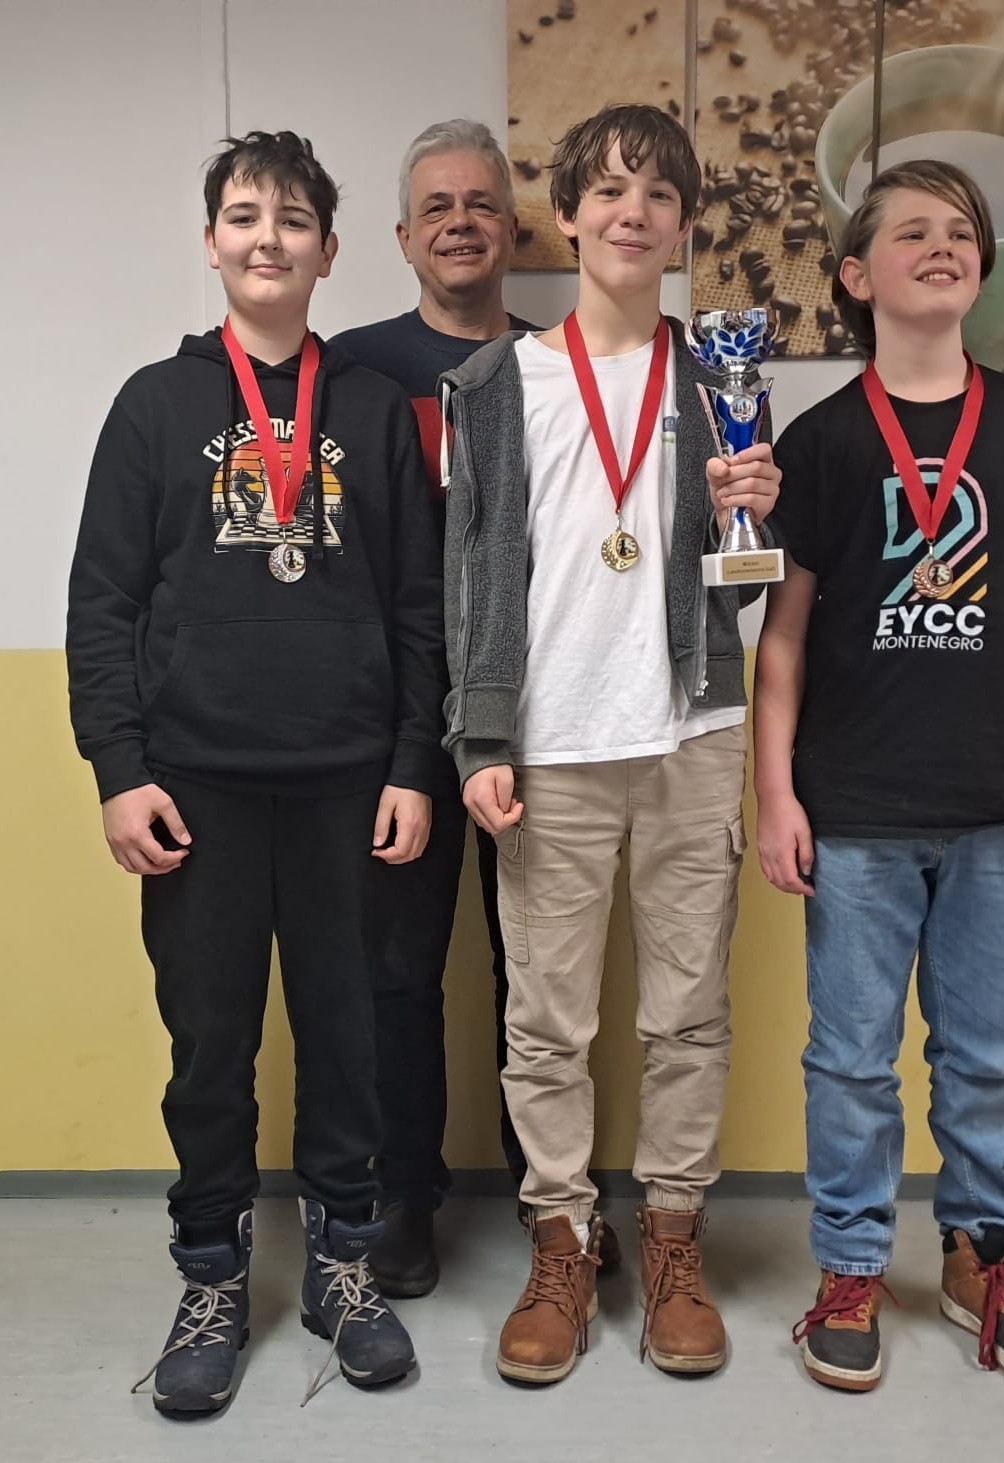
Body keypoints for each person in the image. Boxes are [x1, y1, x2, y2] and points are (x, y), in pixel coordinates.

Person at [65, 130, 445, 1415]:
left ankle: (343, 1262)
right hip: (197, 786)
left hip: (349, 783)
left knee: (349, 1035)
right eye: (243, 216)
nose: (266, 238)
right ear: (211, 241)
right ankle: (212, 1275)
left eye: (291, 219)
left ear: (328, 250)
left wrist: (413, 762)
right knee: (209, 1045)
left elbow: (419, 605)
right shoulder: (153, 406)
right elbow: (103, 603)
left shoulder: (374, 410)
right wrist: (120, 768)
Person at [441, 103, 781, 1385]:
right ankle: (562, 1239)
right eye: (609, 189)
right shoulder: (497, 385)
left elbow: (744, 581)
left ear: (682, 226)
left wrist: (755, 514)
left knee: (686, 1011)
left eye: (658, 194)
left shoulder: (723, 378)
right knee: (547, 1019)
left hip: (691, 727)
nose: (632, 211)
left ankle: (674, 1235)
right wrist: (479, 732)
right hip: (551, 739)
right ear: (568, 216)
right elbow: (470, 574)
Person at [755, 160, 1004, 1393]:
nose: (942, 245)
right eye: (910, 232)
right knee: (850, 1059)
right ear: (857, 276)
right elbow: (782, 637)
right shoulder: (819, 440)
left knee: (985, 1057)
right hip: (854, 807)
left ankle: (981, 1259)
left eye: (959, 230)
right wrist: (774, 792)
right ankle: (850, 1265)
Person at [333, 119, 612, 1298]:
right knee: (395, 970)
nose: (460, 223)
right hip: (388, 723)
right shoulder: (348, 373)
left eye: (481, 204)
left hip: (530, 716)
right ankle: (403, 1192)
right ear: (403, 237)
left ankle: (554, 1200)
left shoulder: (557, 368)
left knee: (537, 971)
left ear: (515, 230)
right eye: (437, 207)